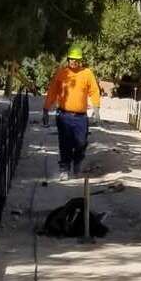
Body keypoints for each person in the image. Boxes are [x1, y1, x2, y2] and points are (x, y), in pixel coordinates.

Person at [43, 47, 101, 181]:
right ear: (68, 59)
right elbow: (52, 92)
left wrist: (96, 109)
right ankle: (64, 168)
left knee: (81, 143)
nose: (74, 62)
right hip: (64, 116)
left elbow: (94, 91)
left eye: (77, 60)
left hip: (80, 117)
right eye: (72, 60)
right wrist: (46, 109)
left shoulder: (87, 73)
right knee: (65, 144)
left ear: (81, 61)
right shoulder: (61, 73)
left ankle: (77, 162)